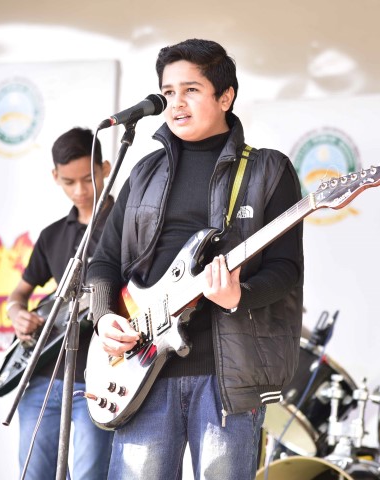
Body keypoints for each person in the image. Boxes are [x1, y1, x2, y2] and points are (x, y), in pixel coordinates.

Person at [87, 38, 304, 480]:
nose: (176, 103)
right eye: (168, 92)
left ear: (226, 97)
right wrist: (103, 315)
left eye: (191, 90)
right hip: (140, 374)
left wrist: (239, 296)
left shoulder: (267, 170)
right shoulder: (143, 172)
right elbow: (103, 260)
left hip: (228, 379)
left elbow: (287, 270)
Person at [6, 127, 114, 479]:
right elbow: (18, 295)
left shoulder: (126, 227)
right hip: (42, 377)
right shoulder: (52, 235)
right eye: (69, 182)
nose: (80, 190)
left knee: (90, 475)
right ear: (55, 176)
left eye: (87, 178)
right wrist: (16, 314)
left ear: (105, 168)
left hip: (99, 379)